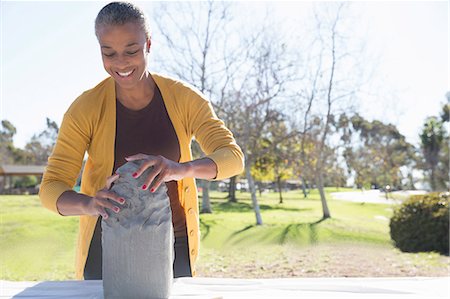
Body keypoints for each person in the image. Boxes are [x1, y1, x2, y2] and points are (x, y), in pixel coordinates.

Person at [39, 1, 244, 280]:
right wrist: (89, 204)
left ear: (148, 44)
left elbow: (232, 158)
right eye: (108, 53)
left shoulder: (184, 99)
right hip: (107, 246)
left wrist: (180, 169)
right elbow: (51, 188)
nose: (121, 63)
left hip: (174, 244)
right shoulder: (85, 109)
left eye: (131, 51)